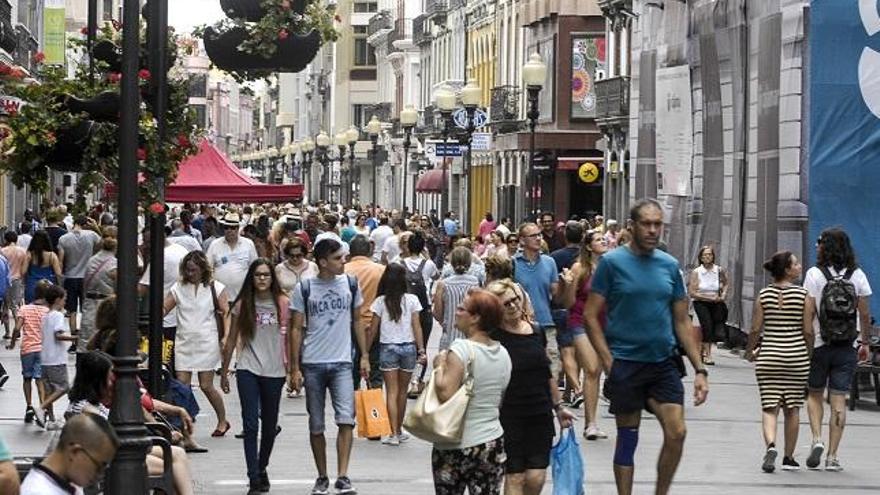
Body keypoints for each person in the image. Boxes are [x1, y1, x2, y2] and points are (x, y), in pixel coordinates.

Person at [583, 198, 709, 495]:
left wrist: (700, 368)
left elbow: (681, 322)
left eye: (658, 224)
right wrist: (608, 361)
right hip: (625, 363)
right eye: (647, 224)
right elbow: (590, 316)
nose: (653, 230)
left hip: (662, 363)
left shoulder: (669, 265)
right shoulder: (612, 263)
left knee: (677, 431)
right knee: (628, 440)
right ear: (632, 226)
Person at [289, 238, 369, 495]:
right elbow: (295, 328)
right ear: (322, 262)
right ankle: (322, 475)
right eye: (337, 258)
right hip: (313, 362)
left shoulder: (351, 284)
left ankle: (343, 475)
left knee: (346, 419)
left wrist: (364, 355)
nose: (343, 261)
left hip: (343, 362)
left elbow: (357, 320)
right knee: (316, 424)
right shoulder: (305, 288)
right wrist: (294, 368)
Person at [62, 351, 196, 495]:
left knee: (178, 454)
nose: (111, 382)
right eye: (109, 378)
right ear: (96, 379)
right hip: (108, 460)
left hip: (117, 453)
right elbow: (111, 439)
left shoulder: (93, 402)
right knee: (171, 469)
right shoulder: (86, 409)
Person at [486, 280, 575, 494]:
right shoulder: (492, 338)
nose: (514, 306)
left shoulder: (536, 331)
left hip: (539, 413)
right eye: (506, 303)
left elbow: (546, 373)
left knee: (536, 478)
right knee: (515, 476)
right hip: (508, 415)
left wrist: (559, 407)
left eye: (515, 299)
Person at [803, 228, 873, 471]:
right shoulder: (858, 275)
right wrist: (864, 343)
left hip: (820, 344)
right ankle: (832, 456)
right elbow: (864, 313)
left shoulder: (814, 274)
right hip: (847, 346)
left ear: (825, 247)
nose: (816, 246)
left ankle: (816, 439)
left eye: (818, 243)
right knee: (838, 400)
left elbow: (808, 313)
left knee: (814, 394)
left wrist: (808, 344)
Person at [430, 289, 512, 494]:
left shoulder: (461, 349)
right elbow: (500, 397)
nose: (456, 312)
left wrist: (439, 366)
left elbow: (445, 394)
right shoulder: (503, 354)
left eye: (461, 309)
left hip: (454, 444)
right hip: (491, 441)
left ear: (475, 318)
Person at [221, 259, 289, 494]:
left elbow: (293, 336)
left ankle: (262, 467)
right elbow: (231, 339)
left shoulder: (283, 303)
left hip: (275, 370)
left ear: (272, 279)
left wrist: (295, 369)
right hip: (247, 368)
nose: (262, 279)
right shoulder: (243, 304)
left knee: (269, 427)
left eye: (266, 275)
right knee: (250, 425)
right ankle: (253, 477)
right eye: (258, 275)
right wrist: (225, 370)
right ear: (251, 278)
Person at [744, 251, 813, 473]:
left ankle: (771, 444)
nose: (799, 266)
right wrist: (808, 353)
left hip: (769, 357)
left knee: (769, 407)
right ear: (786, 269)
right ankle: (789, 457)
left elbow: (755, 329)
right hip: (796, 357)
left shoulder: (763, 295)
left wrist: (749, 352)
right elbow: (808, 331)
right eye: (796, 263)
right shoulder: (804, 295)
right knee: (792, 408)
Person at [163, 250, 231, 437]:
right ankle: (183, 425)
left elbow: (226, 312)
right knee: (182, 385)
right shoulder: (179, 288)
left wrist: (225, 336)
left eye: (193, 270)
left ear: (202, 269)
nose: (190, 274)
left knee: (206, 385)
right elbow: (164, 308)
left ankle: (222, 420)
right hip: (184, 341)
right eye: (187, 270)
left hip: (206, 341)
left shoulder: (216, 287)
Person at [560, 229, 609, 440]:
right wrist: (569, 284)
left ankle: (592, 422)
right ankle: (590, 425)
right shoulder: (580, 268)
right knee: (591, 368)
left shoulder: (610, 268)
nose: (603, 241)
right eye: (598, 239)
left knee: (596, 373)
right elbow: (568, 303)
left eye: (604, 238)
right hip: (580, 322)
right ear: (588, 246)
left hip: (604, 324)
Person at [369, 264, 426, 446]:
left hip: (388, 348)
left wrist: (365, 351)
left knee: (391, 392)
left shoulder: (380, 302)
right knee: (402, 392)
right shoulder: (412, 300)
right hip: (408, 347)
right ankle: (399, 430)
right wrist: (421, 349)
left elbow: (373, 329)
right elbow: (417, 326)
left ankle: (392, 433)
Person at [513, 223, 567, 382]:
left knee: (551, 369)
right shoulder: (513, 263)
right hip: (521, 326)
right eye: (533, 235)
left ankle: (550, 401)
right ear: (522, 241)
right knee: (523, 370)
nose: (538, 238)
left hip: (546, 324)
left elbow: (556, 297)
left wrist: (565, 283)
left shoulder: (549, 262)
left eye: (539, 235)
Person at [20, 413, 118, 495]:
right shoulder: (38, 491)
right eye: (99, 466)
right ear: (75, 452)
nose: (100, 475)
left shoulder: (69, 481)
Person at [138, 230, 190, 375]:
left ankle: (167, 387)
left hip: (164, 317)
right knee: (174, 359)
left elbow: (141, 289)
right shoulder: (181, 250)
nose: (145, 245)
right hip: (181, 316)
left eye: (147, 242)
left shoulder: (160, 257)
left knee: (162, 359)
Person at [344, 235, 386, 390]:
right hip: (375, 326)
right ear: (370, 250)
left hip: (349, 327)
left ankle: (352, 406)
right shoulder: (381, 270)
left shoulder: (343, 272)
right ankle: (375, 408)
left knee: (351, 372)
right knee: (376, 372)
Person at [34, 285, 77, 429]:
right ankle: (41, 408)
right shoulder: (58, 316)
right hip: (56, 359)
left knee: (48, 390)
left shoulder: (45, 316)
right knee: (63, 387)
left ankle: (51, 419)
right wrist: (74, 338)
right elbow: (58, 335)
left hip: (45, 358)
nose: (65, 302)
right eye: (64, 299)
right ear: (58, 300)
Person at [7, 281, 50, 423]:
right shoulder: (48, 311)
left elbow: (17, 328)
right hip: (42, 349)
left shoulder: (24, 309)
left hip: (27, 349)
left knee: (27, 378)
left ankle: (29, 406)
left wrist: (13, 343)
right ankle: (42, 408)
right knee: (39, 379)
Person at [58, 216, 102, 340]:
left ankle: (73, 339)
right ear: (86, 224)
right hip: (86, 277)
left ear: (74, 223)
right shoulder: (92, 235)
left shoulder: (64, 239)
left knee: (72, 310)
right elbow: (104, 243)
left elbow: (61, 261)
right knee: (86, 309)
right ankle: (86, 337)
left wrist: (60, 280)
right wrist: (96, 227)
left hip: (70, 277)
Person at [433, 247, 481, 350]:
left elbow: (437, 314)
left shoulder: (443, 285)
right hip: (470, 340)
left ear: (452, 262)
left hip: (449, 338)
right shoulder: (475, 282)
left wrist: (445, 321)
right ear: (469, 262)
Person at [688, 246, 729, 365]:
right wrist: (708, 297)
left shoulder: (718, 270)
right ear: (700, 257)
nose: (707, 257)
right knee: (707, 326)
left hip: (716, 302)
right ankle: (708, 355)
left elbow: (726, 282)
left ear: (713, 256)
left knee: (715, 326)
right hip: (701, 302)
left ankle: (703, 349)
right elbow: (692, 292)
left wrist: (724, 294)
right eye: (704, 255)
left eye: (709, 254)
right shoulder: (697, 272)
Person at [206, 211, 259, 304]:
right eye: (226, 227)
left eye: (233, 228)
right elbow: (207, 268)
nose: (229, 230)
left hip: (243, 297)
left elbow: (255, 268)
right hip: (219, 298)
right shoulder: (214, 244)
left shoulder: (248, 244)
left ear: (238, 228)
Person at [78, 235, 117, 355]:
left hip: (90, 301)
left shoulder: (92, 260)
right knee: (105, 334)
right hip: (106, 303)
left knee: (86, 336)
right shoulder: (114, 264)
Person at [2, 231, 28, 338]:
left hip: (4, 280)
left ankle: (7, 332)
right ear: (16, 239)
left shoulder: (2, 251)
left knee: (5, 306)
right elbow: (24, 269)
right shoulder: (22, 251)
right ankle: (17, 331)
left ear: (6, 240)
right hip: (17, 280)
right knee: (15, 306)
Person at [24, 230, 62, 303]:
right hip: (48, 286)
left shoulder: (30, 255)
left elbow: (23, 271)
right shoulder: (52, 255)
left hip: (32, 285)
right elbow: (58, 273)